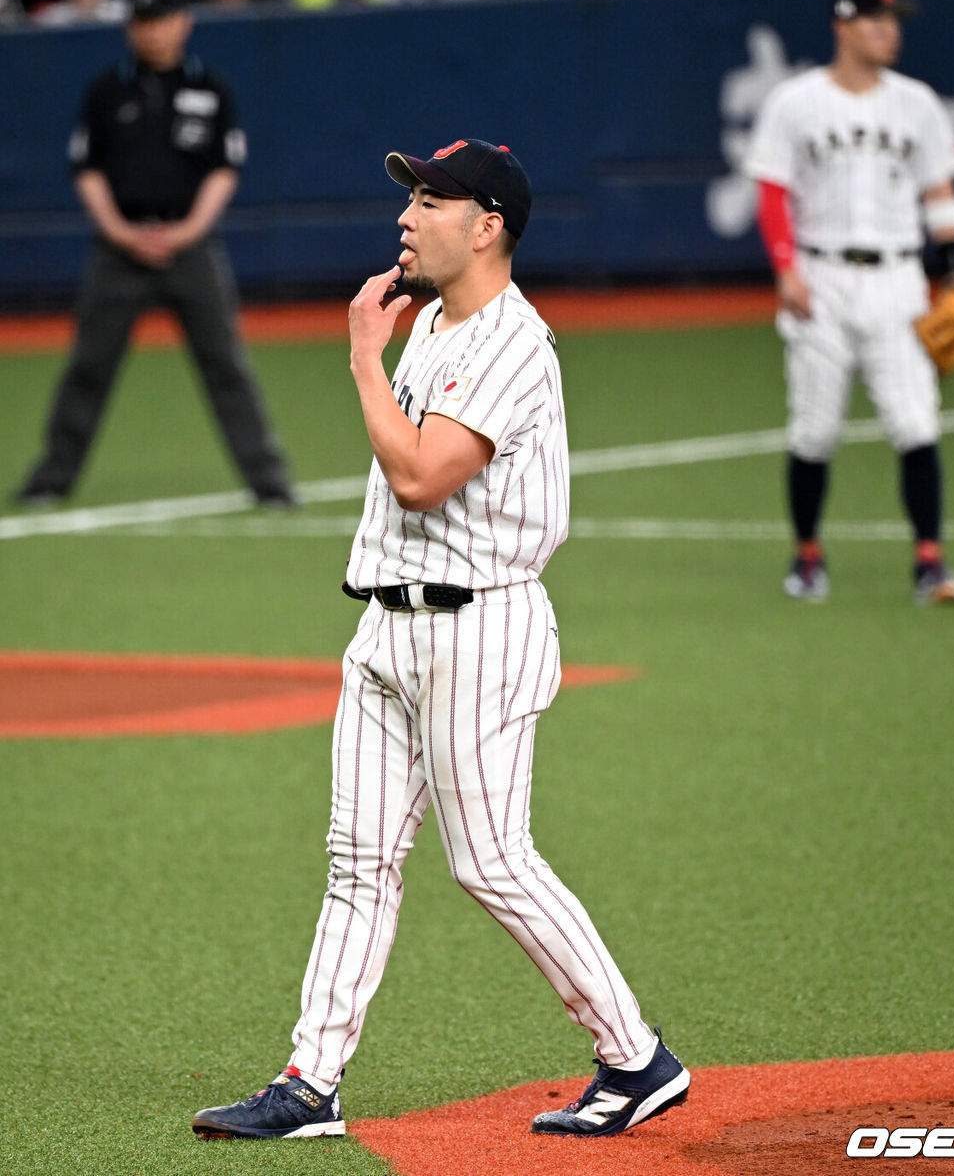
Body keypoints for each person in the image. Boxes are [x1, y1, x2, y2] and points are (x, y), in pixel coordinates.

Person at [190, 139, 690, 1141]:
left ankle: (635, 1057)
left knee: (491, 860)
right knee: (356, 856)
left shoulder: (511, 342)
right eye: (408, 197)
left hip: (479, 626)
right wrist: (383, 354)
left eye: (429, 199)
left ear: (487, 224)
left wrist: (360, 359)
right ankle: (310, 1081)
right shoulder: (432, 328)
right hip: (386, 622)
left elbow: (422, 475)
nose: (405, 217)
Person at [14, 0, 296, 509]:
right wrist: (120, 231)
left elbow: (224, 169)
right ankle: (51, 478)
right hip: (118, 249)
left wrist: (188, 229)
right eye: (142, 22)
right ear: (130, 28)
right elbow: (87, 169)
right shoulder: (107, 90)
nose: (153, 32)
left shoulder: (211, 88)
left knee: (226, 363)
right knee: (88, 364)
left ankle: (270, 482)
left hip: (191, 246)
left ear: (184, 23)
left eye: (162, 20)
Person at [743, 0, 954, 605]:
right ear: (843, 27)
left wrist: (952, 275)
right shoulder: (797, 102)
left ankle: (930, 562)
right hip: (821, 278)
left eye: (894, 21)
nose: (890, 31)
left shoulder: (918, 103)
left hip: (900, 280)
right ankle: (807, 555)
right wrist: (786, 268)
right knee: (814, 430)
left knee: (916, 423)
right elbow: (772, 192)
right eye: (877, 21)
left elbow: (941, 194)